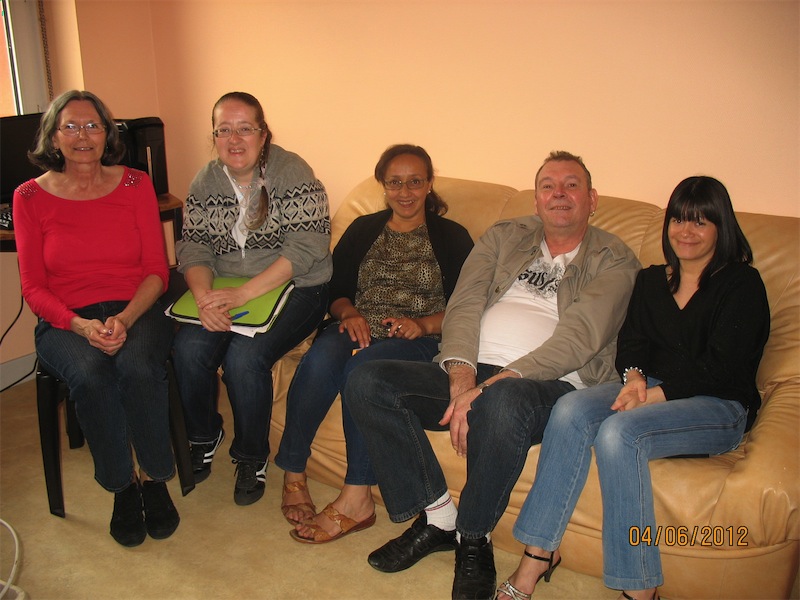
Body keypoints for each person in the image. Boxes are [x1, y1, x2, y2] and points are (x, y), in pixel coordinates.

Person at [346, 151, 641, 599]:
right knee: (368, 380)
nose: (559, 194)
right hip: (475, 367)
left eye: (571, 185)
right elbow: (464, 302)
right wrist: (462, 374)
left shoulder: (614, 258)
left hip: (551, 383)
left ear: (592, 199)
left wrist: (490, 386)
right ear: (537, 200)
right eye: (548, 186)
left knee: (503, 401)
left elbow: (581, 338)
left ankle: (473, 537)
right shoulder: (505, 235)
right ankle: (439, 517)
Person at [495, 176, 770, 600]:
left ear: (722, 227)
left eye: (700, 222)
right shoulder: (651, 280)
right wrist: (636, 377)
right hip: (653, 389)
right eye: (678, 220)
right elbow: (633, 344)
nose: (686, 231)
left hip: (719, 404)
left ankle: (640, 587)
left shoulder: (741, 283)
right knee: (570, 410)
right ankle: (538, 554)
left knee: (620, 433)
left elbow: (723, 366)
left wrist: (654, 396)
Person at [274, 144, 474, 543]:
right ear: (383, 185)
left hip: (418, 340)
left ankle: (358, 496)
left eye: (414, 182)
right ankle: (294, 472)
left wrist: (423, 324)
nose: (405, 192)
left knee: (360, 370)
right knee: (321, 356)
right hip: (358, 326)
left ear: (429, 184)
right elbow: (335, 289)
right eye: (395, 182)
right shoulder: (363, 229)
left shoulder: (453, 237)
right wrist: (348, 313)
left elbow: (469, 305)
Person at [14, 90, 179, 547]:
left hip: (135, 305)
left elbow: (157, 270)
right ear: (53, 136)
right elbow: (33, 288)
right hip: (66, 319)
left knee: (138, 366)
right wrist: (80, 325)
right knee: (90, 374)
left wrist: (125, 317)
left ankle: (154, 478)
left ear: (108, 134)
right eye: (70, 126)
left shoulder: (135, 185)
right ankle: (122, 486)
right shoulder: (29, 196)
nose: (82, 135)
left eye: (93, 125)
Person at [172, 91, 332, 507]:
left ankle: (251, 456)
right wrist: (205, 298)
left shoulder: (291, 171)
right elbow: (194, 248)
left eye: (245, 128)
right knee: (188, 349)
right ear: (214, 136)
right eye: (224, 130)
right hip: (225, 285)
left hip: (298, 285)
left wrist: (241, 294)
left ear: (263, 134)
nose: (234, 139)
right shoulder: (205, 180)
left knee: (245, 358)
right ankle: (204, 435)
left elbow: (307, 247)